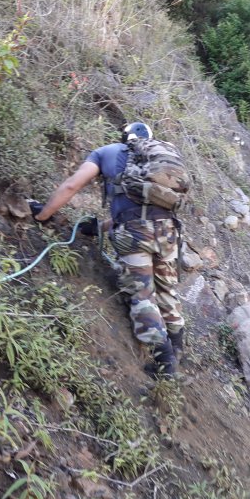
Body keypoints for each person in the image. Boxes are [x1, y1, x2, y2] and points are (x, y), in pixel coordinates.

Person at [29, 122, 186, 378]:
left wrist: (43, 214)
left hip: (135, 233)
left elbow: (72, 186)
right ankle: (178, 348)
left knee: (142, 294)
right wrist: (99, 228)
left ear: (124, 137)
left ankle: (165, 363)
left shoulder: (106, 152)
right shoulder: (157, 163)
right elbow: (146, 211)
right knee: (166, 288)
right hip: (168, 231)